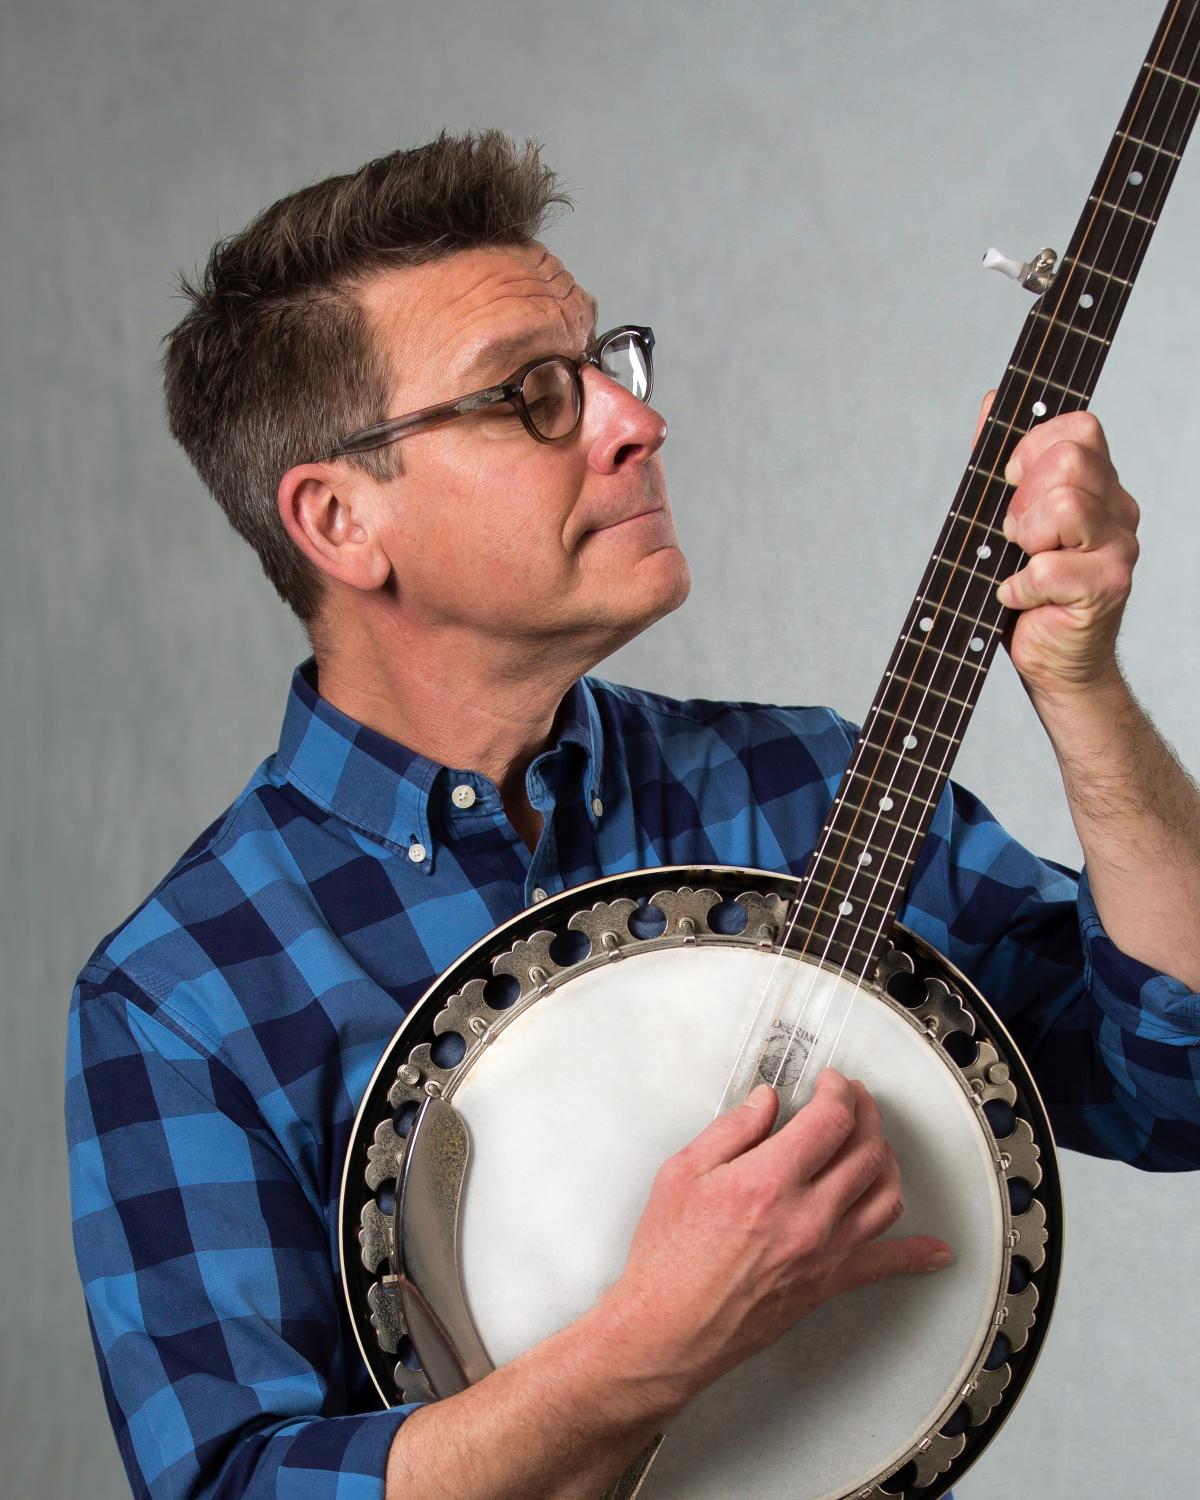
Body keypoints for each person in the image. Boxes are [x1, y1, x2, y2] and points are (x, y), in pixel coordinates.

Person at [66, 131, 1200, 1500]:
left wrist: (1082, 692)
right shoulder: (186, 991)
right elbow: (237, 1486)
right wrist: (653, 1343)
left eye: (610, 360)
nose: (633, 419)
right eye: (533, 395)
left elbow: (1173, 1082)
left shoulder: (810, 788)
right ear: (339, 520)